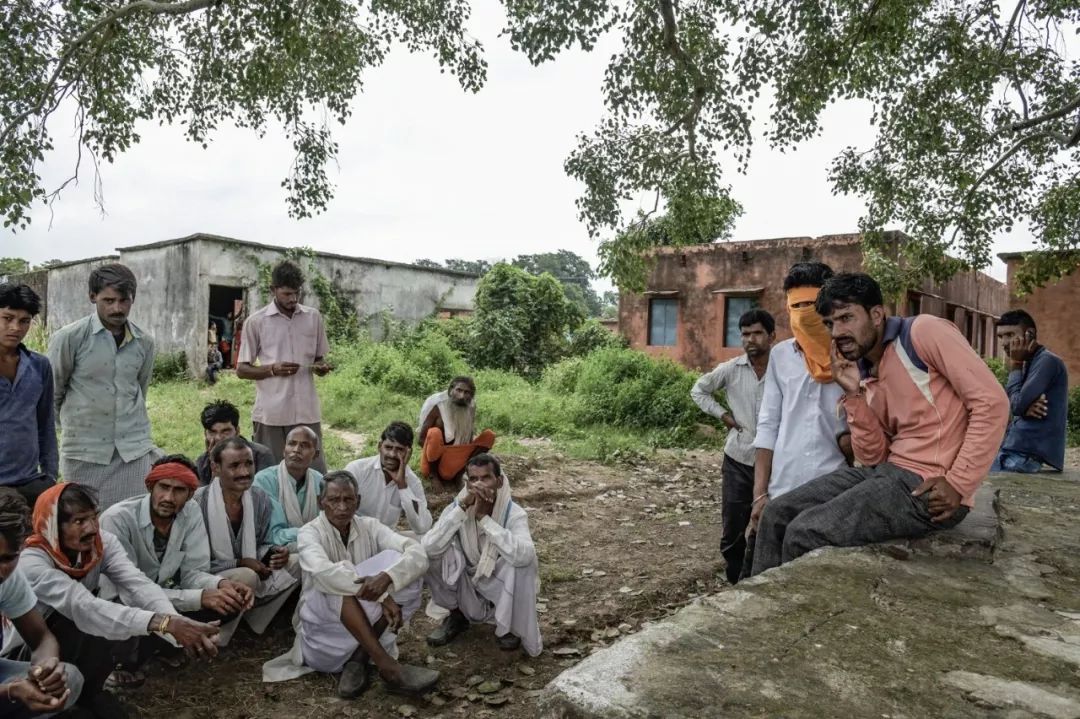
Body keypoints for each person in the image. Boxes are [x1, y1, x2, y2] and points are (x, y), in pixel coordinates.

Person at [750, 273, 1010, 575]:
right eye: (830, 324)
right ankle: (749, 608)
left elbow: (992, 403)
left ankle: (786, 616)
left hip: (929, 487)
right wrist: (854, 395)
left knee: (804, 532)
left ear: (876, 314)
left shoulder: (923, 333)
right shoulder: (865, 369)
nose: (838, 332)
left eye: (847, 317)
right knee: (777, 514)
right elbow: (873, 456)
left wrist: (959, 484)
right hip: (886, 473)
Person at [10, 483, 220, 718]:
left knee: (107, 618)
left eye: (93, 518)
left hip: (74, 641)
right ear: (52, 526)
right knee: (88, 619)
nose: (91, 528)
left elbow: (137, 584)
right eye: (79, 522)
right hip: (31, 652)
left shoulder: (102, 543)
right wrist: (163, 623)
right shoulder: (32, 561)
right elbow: (81, 606)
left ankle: (90, 692)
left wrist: (176, 622)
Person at [262, 471, 439, 697]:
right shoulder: (309, 533)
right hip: (325, 644)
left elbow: (418, 553)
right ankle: (388, 667)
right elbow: (324, 574)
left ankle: (360, 659)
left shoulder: (369, 526)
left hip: (363, 636)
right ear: (321, 502)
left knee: (401, 565)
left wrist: (387, 578)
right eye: (334, 500)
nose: (342, 507)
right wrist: (383, 596)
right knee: (335, 580)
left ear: (359, 501)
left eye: (349, 499)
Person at [100, 455, 255, 678]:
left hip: (166, 597)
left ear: (191, 494)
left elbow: (192, 572)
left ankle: (168, 646)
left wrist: (220, 584)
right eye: (163, 487)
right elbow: (131, 593)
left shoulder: (190, 511)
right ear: (150, 486)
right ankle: (130, 661)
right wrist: (200, 597)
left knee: (230, 600)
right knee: (127, 629)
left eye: (179, 490)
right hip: (125, 604)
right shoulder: (118, 519)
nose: (169, 497)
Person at [745, 263, 852, 576]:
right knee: (768, 579)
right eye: (797, 306)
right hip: (782, 489)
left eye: (812, 305)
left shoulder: (853, 356)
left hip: (833, 490)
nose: (804, 314)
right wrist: (760, 494)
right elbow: (768, 426)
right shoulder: (781, 356)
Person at [47, 264, 159, 509]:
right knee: (84, 520)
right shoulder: (70, 338)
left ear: (133, 299)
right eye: (108, 300)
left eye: (123, 300)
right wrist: (70, 428)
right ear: (92, 297)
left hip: (133, 450)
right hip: (84, 451)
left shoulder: (144, 343)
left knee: (132, 516)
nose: (117, 308)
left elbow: (140, 389)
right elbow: (52, 392)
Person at [422, 454, 541, 656]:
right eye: (474, 480)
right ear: (467, 483)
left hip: (498, 582)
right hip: (467, 582)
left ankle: (509, 626)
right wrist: (461, 509)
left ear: (499, 481)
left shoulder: (513, 513)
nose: (479, 485)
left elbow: (525, 555)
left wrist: (484, 519)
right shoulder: (458, 506)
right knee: (432, 553)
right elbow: (429, 546)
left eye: (486, 478)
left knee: (523, 562)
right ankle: (457, 615)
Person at [690, 308, 774, 584]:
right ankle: (736, 581)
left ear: (771, 336)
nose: (751, 340)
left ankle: (764, 578)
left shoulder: (783, 370)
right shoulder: (732, 369)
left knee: (772, 521)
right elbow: (698, 390)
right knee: (734, 526)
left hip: (777, 460)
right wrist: (723, 416)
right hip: (739, 459)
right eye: (746, 334)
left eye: (758, 333)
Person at [193, 438, 300, 636]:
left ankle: (253, 623)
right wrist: (240, 562)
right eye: (234, 466)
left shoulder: (259, 498)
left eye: (249, 464)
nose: (244, 472)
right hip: (207, 576)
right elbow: (193, 566)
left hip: (247, 567)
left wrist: (273, 553)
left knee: (298, 560)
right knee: (246, 575)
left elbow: (262, 541)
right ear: (215, 468)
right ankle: (218, 635)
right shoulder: (197, 503)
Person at [236, 260, 332, 474]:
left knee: (314, 473)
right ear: (273, 290)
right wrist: (272, 369)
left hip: (307, 412)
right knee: (272, 473)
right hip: (272, 414)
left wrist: (320, 367)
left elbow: (319, 358)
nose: (293, 299)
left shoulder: (313, 317)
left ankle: (310, 508)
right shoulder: (257, 322)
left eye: (296, 293)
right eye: (287, 293)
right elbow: (242, 369)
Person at [0, 490, 83, 719]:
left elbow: (40, 638)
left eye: (8, 559)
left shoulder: (9, 578)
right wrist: (10, 692)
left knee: (70, 678)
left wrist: (45, 670)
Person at [0, 283, 57, 508]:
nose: (15, 327)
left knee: (31, 542)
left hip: (29, 482)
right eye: (7, 318)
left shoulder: (39, 365)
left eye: (24, 321)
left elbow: (45, 423)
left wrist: (50, 475)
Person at [992, 310, 1068, 473]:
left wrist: (1016, 363)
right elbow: (1013, 406)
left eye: (1010, 335)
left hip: (1023, 456)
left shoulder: (1047, 361)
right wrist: (1022, 408)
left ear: (1030, 334)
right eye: (1001, 337)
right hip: (1015, 451)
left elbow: (1016, 405)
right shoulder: (1030, 363)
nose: (1005, 342)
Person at [345, 422, 432, 535]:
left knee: (426, 540)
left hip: (385, 539)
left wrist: (402, 485)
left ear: (408, 452)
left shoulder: (412, 481)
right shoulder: (357, 470)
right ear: (379, 446)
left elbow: (422, 527)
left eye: (399, 449)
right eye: (388, 447)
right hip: (354, 534)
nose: (392, 454)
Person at [418, 377, 496, 492]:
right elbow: (421, 439)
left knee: (489, 436)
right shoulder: (437, 405)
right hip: (433, 462)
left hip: (454, 460)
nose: (461, 396)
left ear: (472, 396)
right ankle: (434, 477)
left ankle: (459, 475)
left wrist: (458, 459)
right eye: (459, 390)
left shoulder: (471, 406)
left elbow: (468, 437)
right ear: (451, 390)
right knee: (434, 433)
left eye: (467, 393)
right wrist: (438, 451)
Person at [253, 426, 324, 551]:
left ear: (316, 454)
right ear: (283, 450)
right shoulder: (264, 480)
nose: (296, 450)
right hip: (274, 550)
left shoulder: (319, 480)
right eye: (292, 444)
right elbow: (271, 534)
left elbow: (327, 523)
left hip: (313, 543)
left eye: (305, 445)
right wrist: (311, 532)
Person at [194, 400, 276, 485]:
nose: (218, 438)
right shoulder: (202, 463)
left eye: (225, 431)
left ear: (237, 431)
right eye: (212, 432)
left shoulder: (261, 455)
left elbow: (263, 493)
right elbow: (203, 496)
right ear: (205, 434)